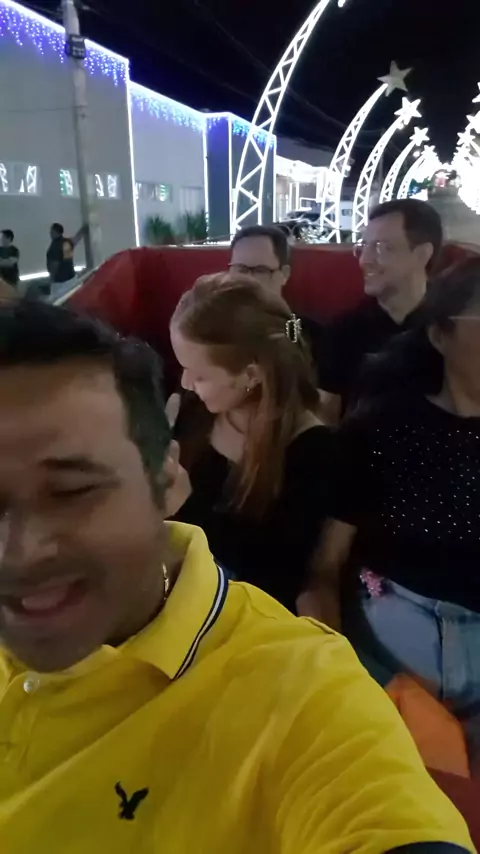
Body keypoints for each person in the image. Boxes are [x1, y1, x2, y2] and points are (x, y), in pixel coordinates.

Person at [0, 298, 472, 854]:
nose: (19, 552)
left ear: (165, 478)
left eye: (71, 491)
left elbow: (377, 809)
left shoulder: (299, 697)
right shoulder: (198, 422)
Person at [311, 257, 480, 718]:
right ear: (440, 334)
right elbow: (325, 567)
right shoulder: (382, 426)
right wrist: (339, 665)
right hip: (391, 652)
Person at [169, 273, 333, 613]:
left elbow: (275, 575)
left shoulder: (313, 451)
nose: (185, 383)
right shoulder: (196, 411)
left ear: (251, 376)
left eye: (199, 375)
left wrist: (185, 504)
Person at [317, 199, 444, 423]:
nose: (365, 260)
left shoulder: (453, 328)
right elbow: (327, 415)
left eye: (382, 248)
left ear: (422, 254)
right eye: (364, 246)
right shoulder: (344, 332)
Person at [230, 225, 324, 381]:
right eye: (240, 269)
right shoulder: (209, 327)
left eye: (260, 270)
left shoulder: (312, 336)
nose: (248, 279)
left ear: (284, 274)